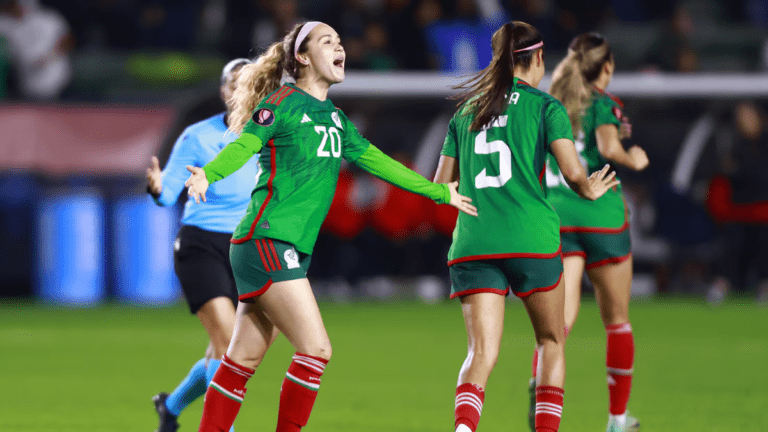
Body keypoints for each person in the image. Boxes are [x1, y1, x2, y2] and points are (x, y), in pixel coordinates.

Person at [184, 21, 477, 432]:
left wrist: (438, 192)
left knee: (241, 361)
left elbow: (379, 162)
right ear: (302, 58)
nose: (339, 46)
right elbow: (246, 144)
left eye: (340, 41)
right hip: (267, 239)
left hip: (275, 246)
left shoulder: (335, 119)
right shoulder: (281, 103)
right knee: (316, 349)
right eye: (327, 41)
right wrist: (207, 175)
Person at [433, 21, 618, 432]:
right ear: (536, 58)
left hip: (474, 243)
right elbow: (572, 172)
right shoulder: (545, 106)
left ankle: (464, 429)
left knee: (480, 353)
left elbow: (440, 187)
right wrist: (588, 190)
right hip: (530, 241)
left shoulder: (466, 110)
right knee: (551, 341)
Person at [534, 32, 650, 432]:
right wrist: (634, 157)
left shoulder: (550, 103)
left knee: (557, 326)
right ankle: (617, 419)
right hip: (600, 216)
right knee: (617, 320)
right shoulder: (604, 104)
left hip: (557, 216)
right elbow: (609, 146)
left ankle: (541, 392)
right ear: (606, 68)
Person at [146, 58, 268, 432]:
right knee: (229, 342)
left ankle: (172, 405)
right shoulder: (197, 136)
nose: (240, 89)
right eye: (234, 83)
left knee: (233, 349)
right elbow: (167, 193)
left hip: (249, 248)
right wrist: (156, 187)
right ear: (223, 92)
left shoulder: (272, 137)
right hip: (201, 245)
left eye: (249, 82)